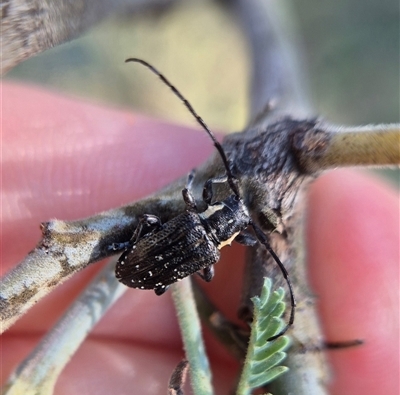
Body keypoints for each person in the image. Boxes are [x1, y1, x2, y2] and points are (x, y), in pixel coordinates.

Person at [2, 82, 398, 394]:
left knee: (155, 221)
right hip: (145, 267)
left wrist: (187, 189)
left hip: (141, 259)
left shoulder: (193, 217)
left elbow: (193, 190)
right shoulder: (208, 252)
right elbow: (202, 268)